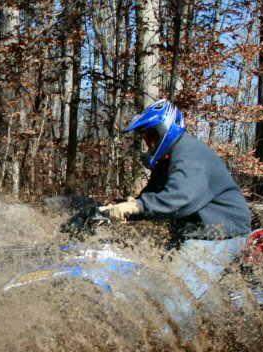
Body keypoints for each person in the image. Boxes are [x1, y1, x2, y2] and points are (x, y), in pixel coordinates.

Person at [101, 99, 252, 329]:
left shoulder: (189, 155)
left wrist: (137, 207)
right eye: (145, 138)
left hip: (217, 234)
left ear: (165, 130)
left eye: (151, 136)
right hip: (195, 232)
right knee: (151, 286)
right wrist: (114, 210)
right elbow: (150, 195)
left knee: (167, 302)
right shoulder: (169, 159)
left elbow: (179, 198)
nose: (148, 143)